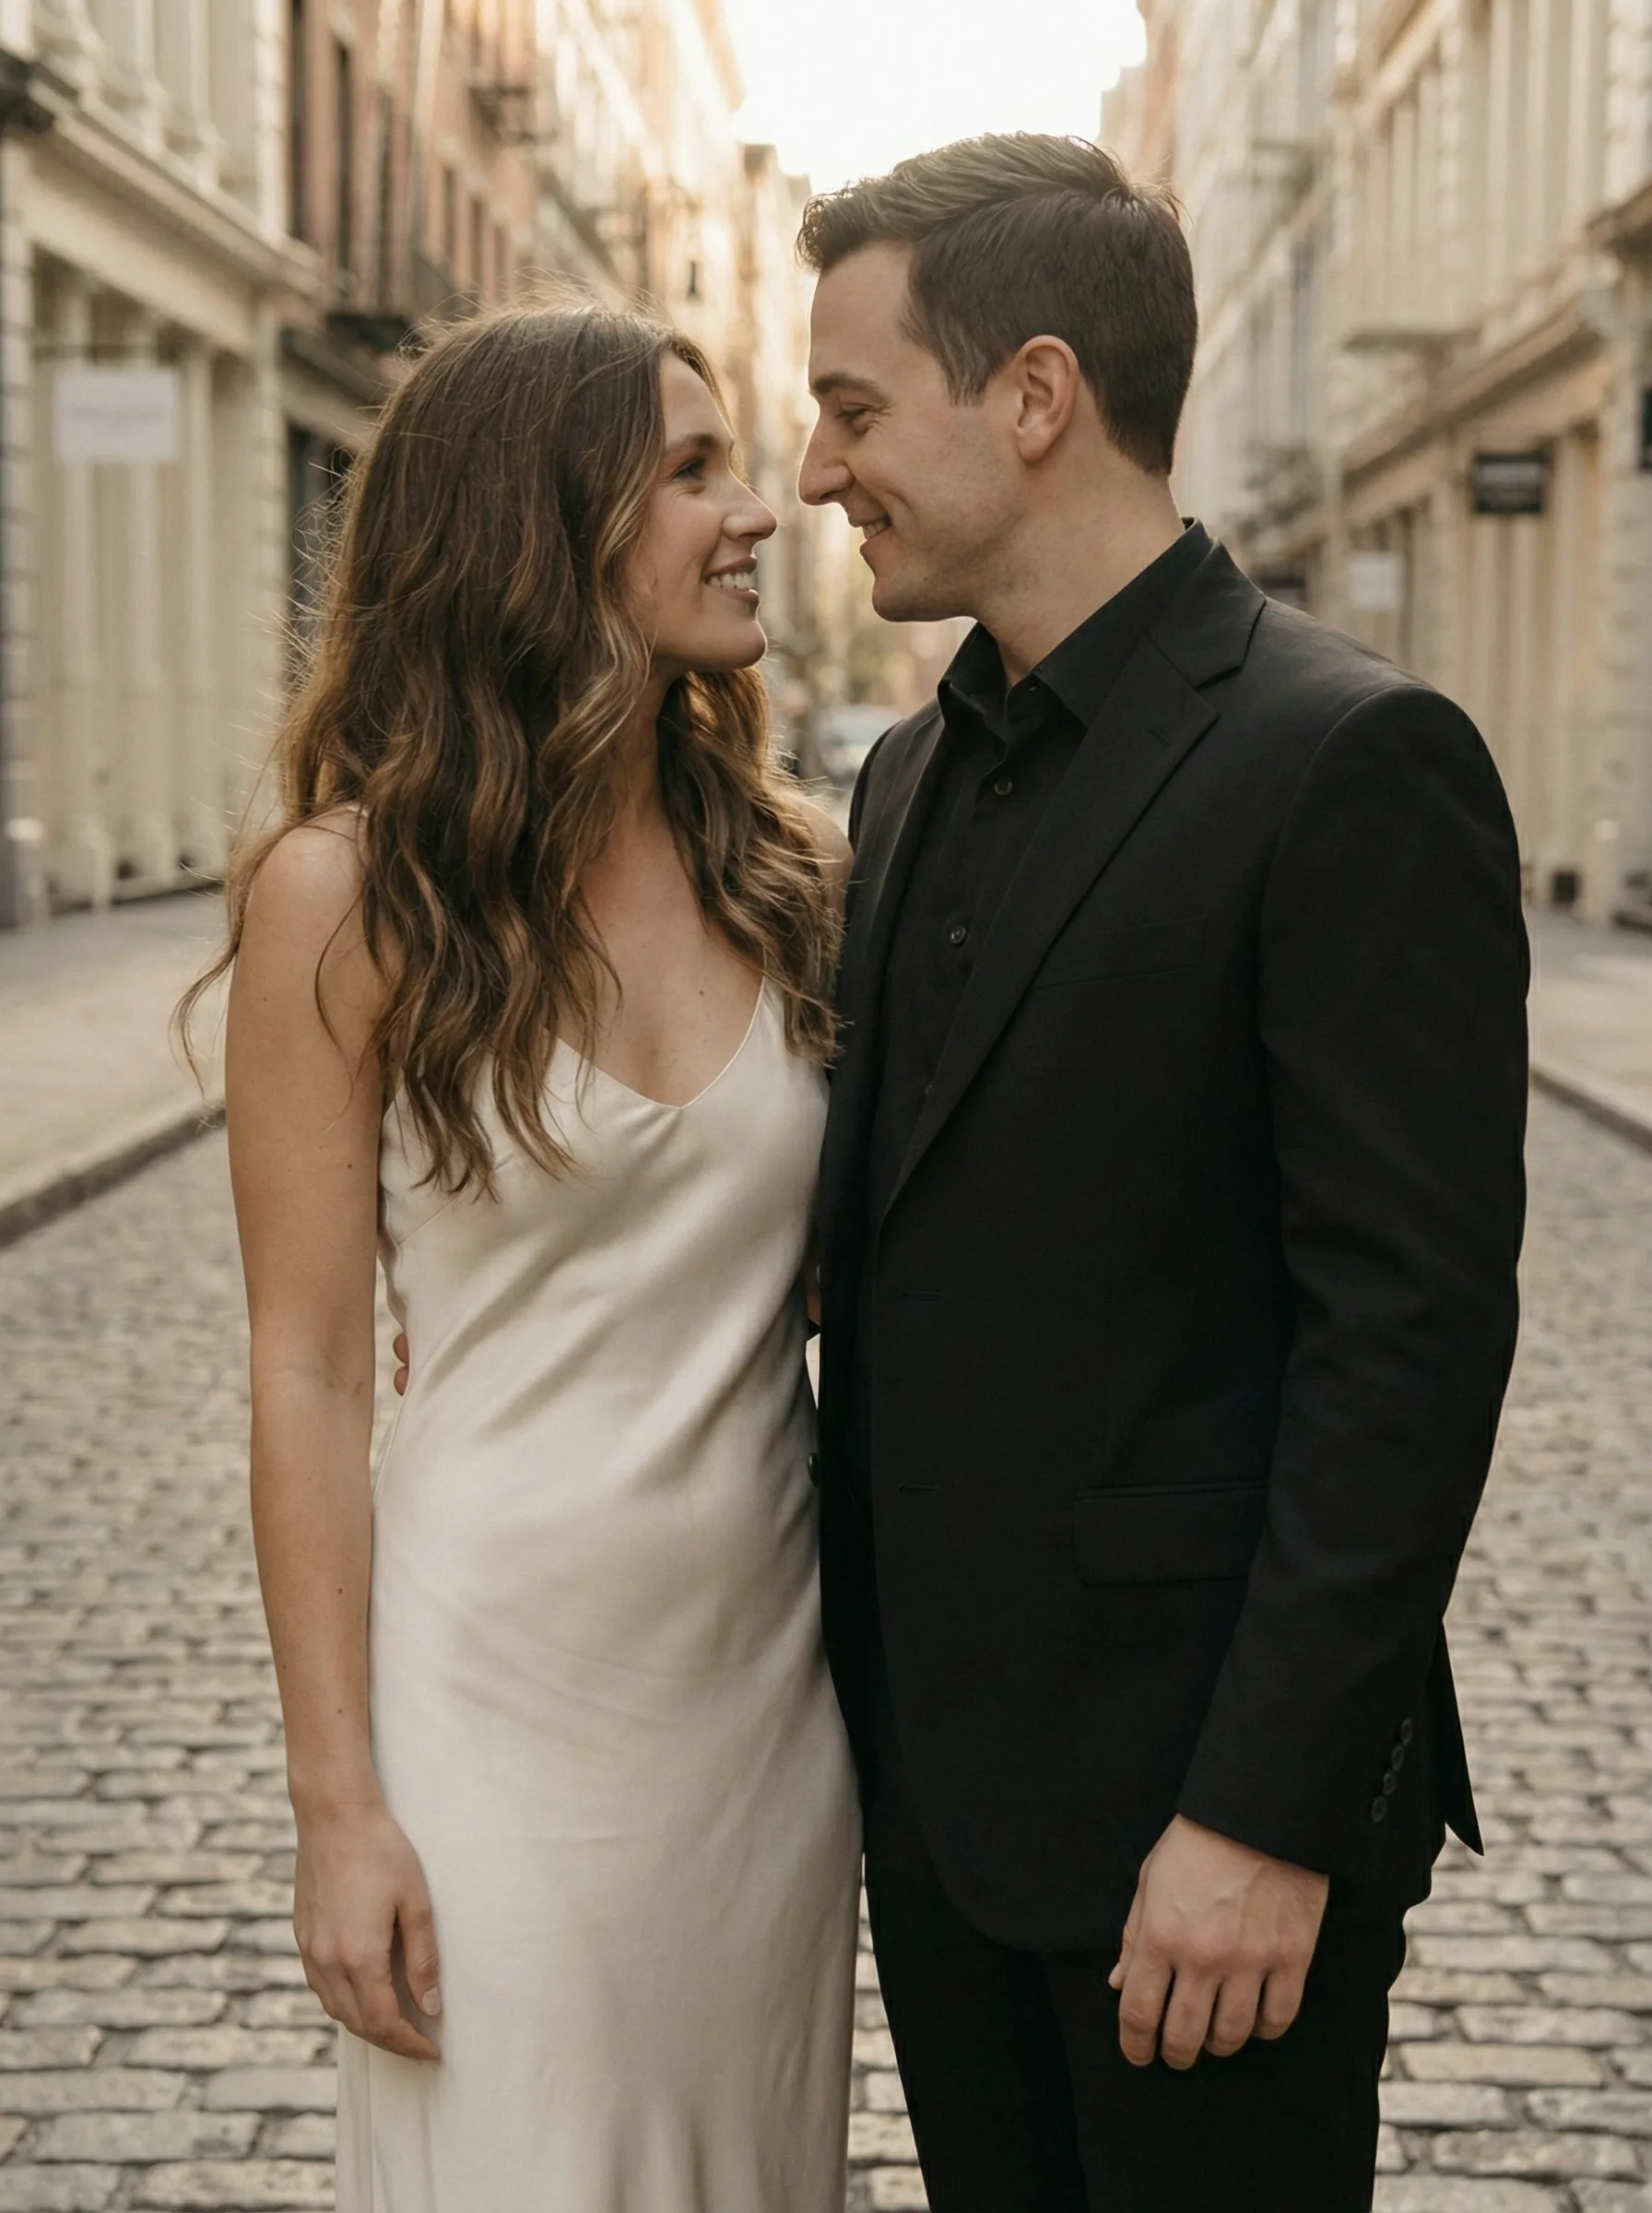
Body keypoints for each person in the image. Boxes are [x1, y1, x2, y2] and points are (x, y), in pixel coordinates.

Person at [797, 135, 1528, 2212]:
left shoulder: (1344, 760)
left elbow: (1404, 1341)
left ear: (1032, 397)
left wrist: (1262, 1817)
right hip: (936, 1813)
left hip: (1193, 1841)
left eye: (852, 407)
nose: (817, 465)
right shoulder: (907, 767)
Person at [183, 302, 860, 2213]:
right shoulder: (348, 891)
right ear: (532, 523)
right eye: (690, 470)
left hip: (760, 1715)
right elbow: (304, 1369)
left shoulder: (793, 873)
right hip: (490, 1699)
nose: (756, 512)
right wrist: (338, 1809)